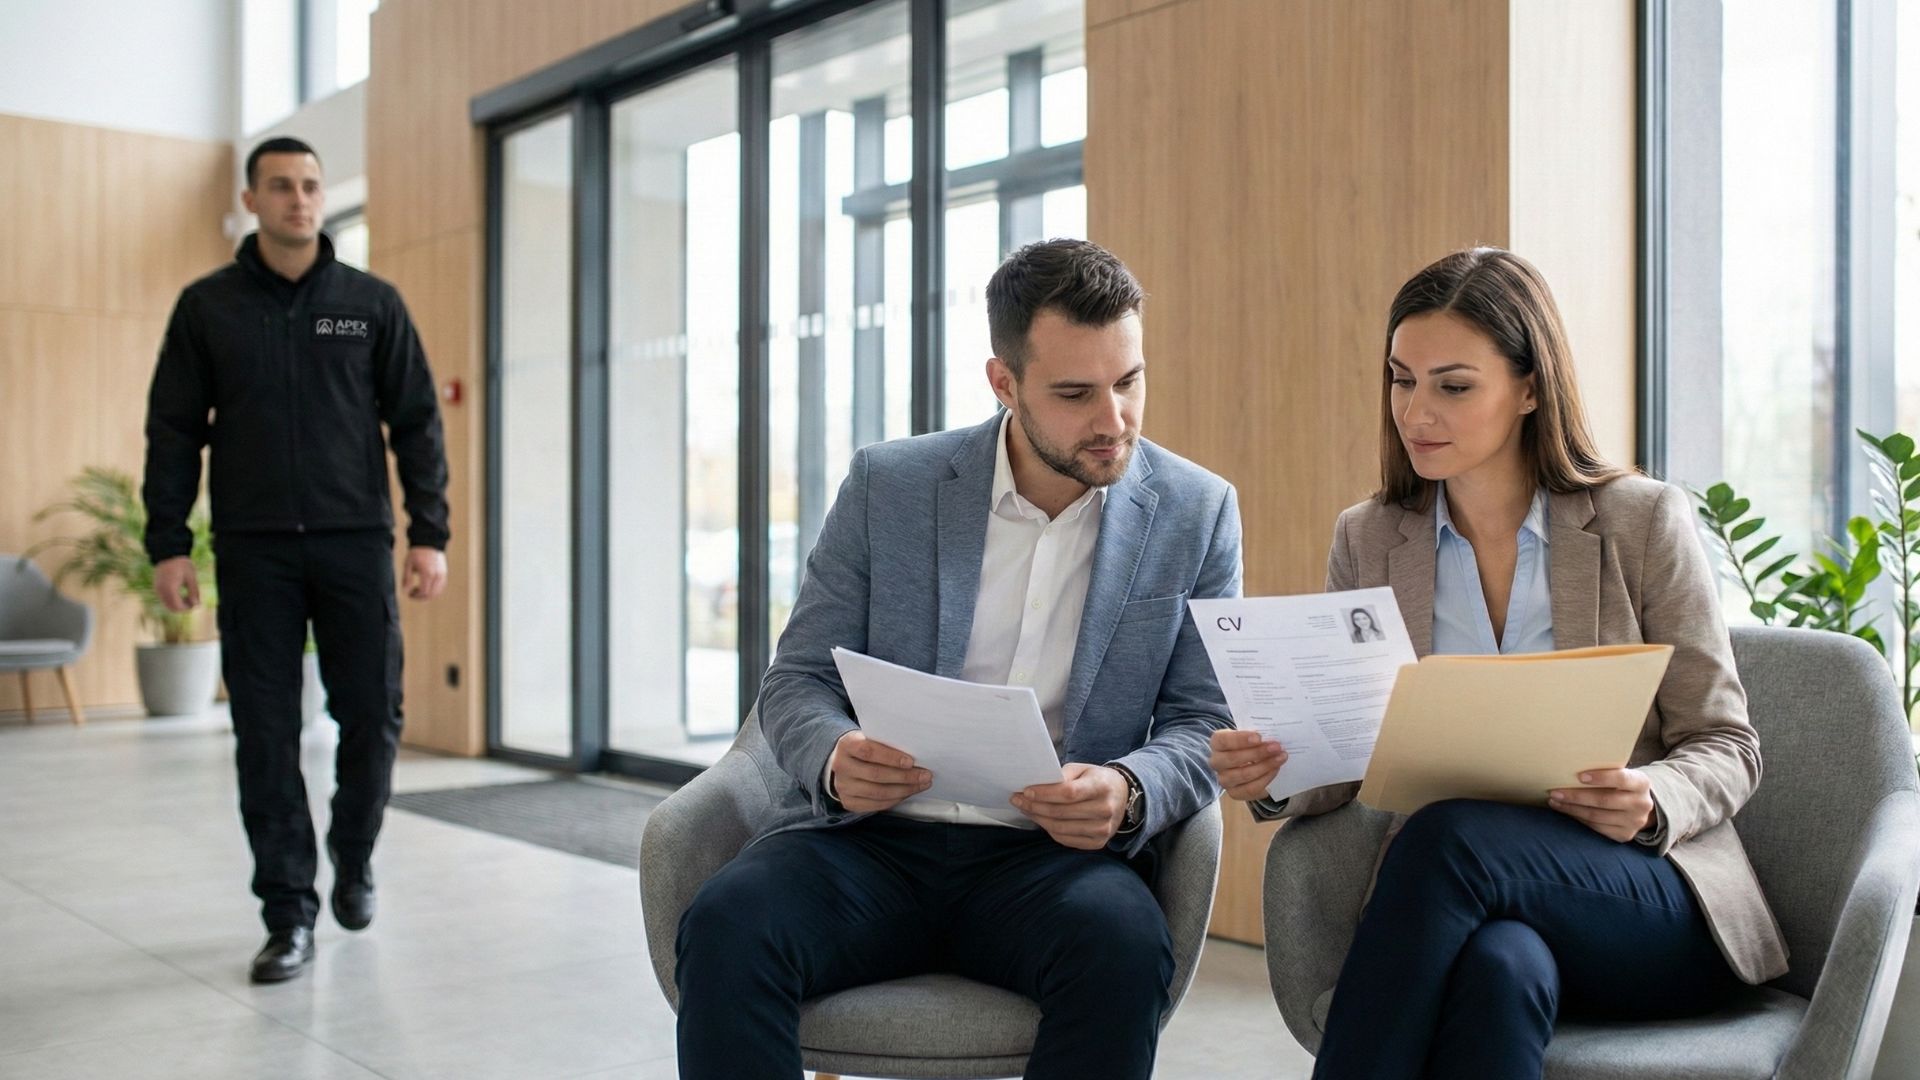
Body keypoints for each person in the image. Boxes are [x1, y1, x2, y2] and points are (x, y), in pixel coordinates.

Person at [1209, 248, 1785, 1078]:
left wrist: (1649, 795)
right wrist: (1276, 766)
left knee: (1450, 837)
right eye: (1401, 379)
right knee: (1500, 972)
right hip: (1476, 911)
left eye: (1453, 384)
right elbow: (1351, 757)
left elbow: (1728, 744)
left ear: (1529, 387)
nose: (1417, 411)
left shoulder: (1640, 521)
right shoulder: (1369, 538)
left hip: (1644, 896)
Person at [673, 239, 1241, 1079]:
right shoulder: (888, 487)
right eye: (1076, 393)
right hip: (872, 843)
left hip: (1052, 863)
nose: (1114, 420)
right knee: (728, 924)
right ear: (1004, 383)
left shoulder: (1197, 511)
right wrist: (833, 757)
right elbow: (798, 680)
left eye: (1129, 381)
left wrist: (1128, 790)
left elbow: (1204, 722)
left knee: (1121, 947)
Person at [142, 136, 450, 984]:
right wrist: (169, 542)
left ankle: (352, 857)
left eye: (311, 186)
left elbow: (417, 419)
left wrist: (430, 532)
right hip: (254, 552)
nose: (300, 200)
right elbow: (172, 431)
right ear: (251, 199)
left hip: (356, 543)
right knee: (266, 735)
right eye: (281, 186)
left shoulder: (369, 302)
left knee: (374, 717)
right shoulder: (208, 308)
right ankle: (289, 912)